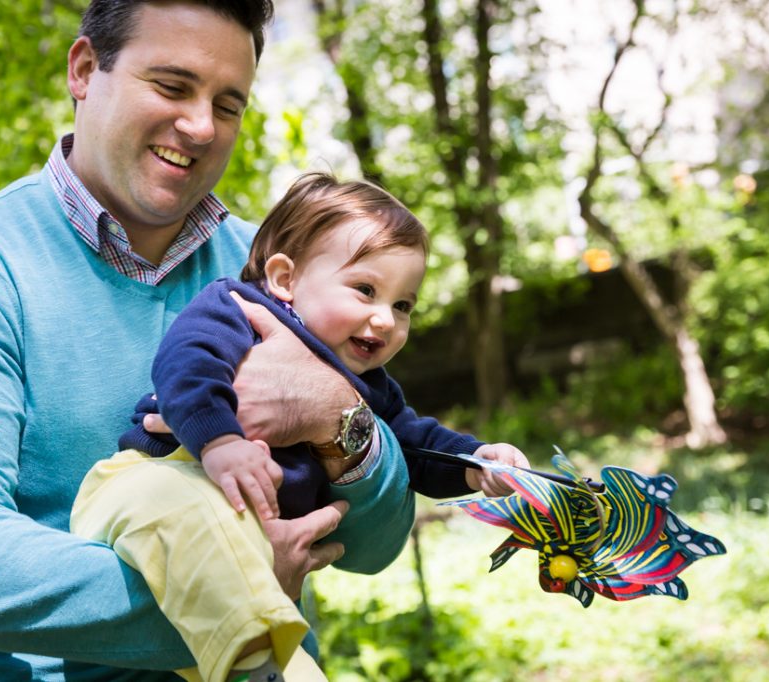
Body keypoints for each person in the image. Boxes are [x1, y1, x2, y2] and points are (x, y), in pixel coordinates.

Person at [0, 2, 418, 679]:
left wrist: (338, 415)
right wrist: (230, 602)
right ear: (86, 70)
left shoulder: (278, 277)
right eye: (172, 86)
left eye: (229, 104)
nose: (202, 125)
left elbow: (373, 545)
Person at [70, 172, 529, 682]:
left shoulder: (366, 385)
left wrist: (475, 462)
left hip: (240, 521)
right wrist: (220, 441)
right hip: (157, 479)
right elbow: (187, 366)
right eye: (365, 290)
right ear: (286, 278)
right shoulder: (239, 309)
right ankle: (257, 656)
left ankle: (267, 663)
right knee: (199, 528)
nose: (384, 320)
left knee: (262, 608)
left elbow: (416, 443)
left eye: (402, 305)